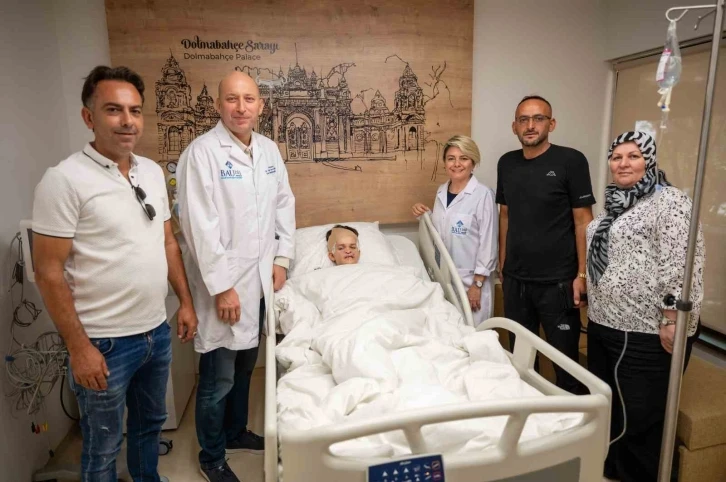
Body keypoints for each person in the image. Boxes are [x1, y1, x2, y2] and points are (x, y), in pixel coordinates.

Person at [32, 65, 198, 482]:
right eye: (113, 110)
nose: (128, 121)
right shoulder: (64, 180)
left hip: (155, 332)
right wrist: (79, 348)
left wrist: (185, 302)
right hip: (103, 342)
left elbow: (167, 243)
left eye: (135, 111)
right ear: (89, 117)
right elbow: (47, 272)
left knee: (149, 426)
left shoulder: (152, 172)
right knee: (103, 444)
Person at [176, 71, 295, 482]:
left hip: (259, 281)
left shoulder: (269, 151)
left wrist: (282, 258)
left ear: (261, 105)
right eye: (232, 98)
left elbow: (284, 205)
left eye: (248, 99)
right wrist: (223, 287)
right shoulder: (202, 153)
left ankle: (235, 431)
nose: (241, 107)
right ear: (218, 105)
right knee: (218, 377)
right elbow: (199, 227)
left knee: (246, 365)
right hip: (223, 287)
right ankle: (211, 456)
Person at [586, 131, 704, 482]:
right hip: (605, 323)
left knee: (640, 418)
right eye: (617, 157)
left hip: (644, 330)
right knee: (612, 411)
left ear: (649, 161)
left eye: (634, 156)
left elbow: (682, 264)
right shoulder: (617, 203)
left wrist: (672, 319)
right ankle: (609, 471)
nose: (623, 163)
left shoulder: (669, 202)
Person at [495, 95, 594, 394]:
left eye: (538, 118)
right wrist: (503, 263)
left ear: (551, 124)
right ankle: (532, 415)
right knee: (522, 362)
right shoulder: (507, 163)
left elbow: (583, 221)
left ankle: (574, 415)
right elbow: (505, 215)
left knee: (566, 363)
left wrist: (582, 274)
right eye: (523, 119)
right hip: (516, 280)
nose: (530, 125)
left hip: (557, 283)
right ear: (514, 126)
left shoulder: (571, 161)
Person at [412, 135, 498, 325]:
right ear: (445, 163)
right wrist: (425, 215)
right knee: (450, 333)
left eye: (463, 158)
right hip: (445, 279)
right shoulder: (441, 192)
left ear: (473, 162)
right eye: (451, 158)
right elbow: (442, 231)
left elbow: (489, 242)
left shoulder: (483, 195)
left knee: (475, 333)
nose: (457, 164)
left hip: (472, 281)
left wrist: (477, 284)